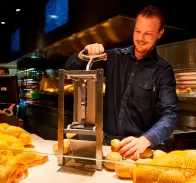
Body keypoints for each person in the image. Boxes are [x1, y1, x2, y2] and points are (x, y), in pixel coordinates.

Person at [65, 5, 179, 159]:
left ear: (160, 33)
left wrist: (146, 140)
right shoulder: (114, 57)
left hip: (137, 149)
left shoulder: (163, 71)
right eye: (137, 31)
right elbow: (71, 68)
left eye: (148, 34)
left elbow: (170, 115)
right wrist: (84, 53)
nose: (140, 38)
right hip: (106, 145)